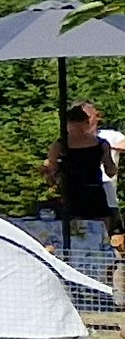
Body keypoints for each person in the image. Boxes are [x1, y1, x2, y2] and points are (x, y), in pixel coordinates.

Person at [55, 103, 115, 266]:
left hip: (71, 194)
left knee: (72, 236)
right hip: (94, 192)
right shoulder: (101, 144)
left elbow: (51, 170)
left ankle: (73, 267)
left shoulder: (60, 145)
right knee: (101, 236)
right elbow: (111, 171)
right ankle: (102, 268)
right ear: (86, 123)